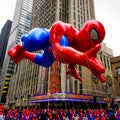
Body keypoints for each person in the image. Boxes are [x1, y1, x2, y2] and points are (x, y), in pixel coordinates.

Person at [8, 20, 106, 82]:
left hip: (50, 50)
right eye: (93, 36)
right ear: (87, 30)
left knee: (45, 63)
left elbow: (71, 59)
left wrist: (71, 68)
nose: (90, 43)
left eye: (95, 41)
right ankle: (20, 47)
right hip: (45, 36)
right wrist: (83, 60)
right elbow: (58, 52)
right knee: (36, 40)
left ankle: (24, 54)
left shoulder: (80, 48)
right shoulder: (65, 28)